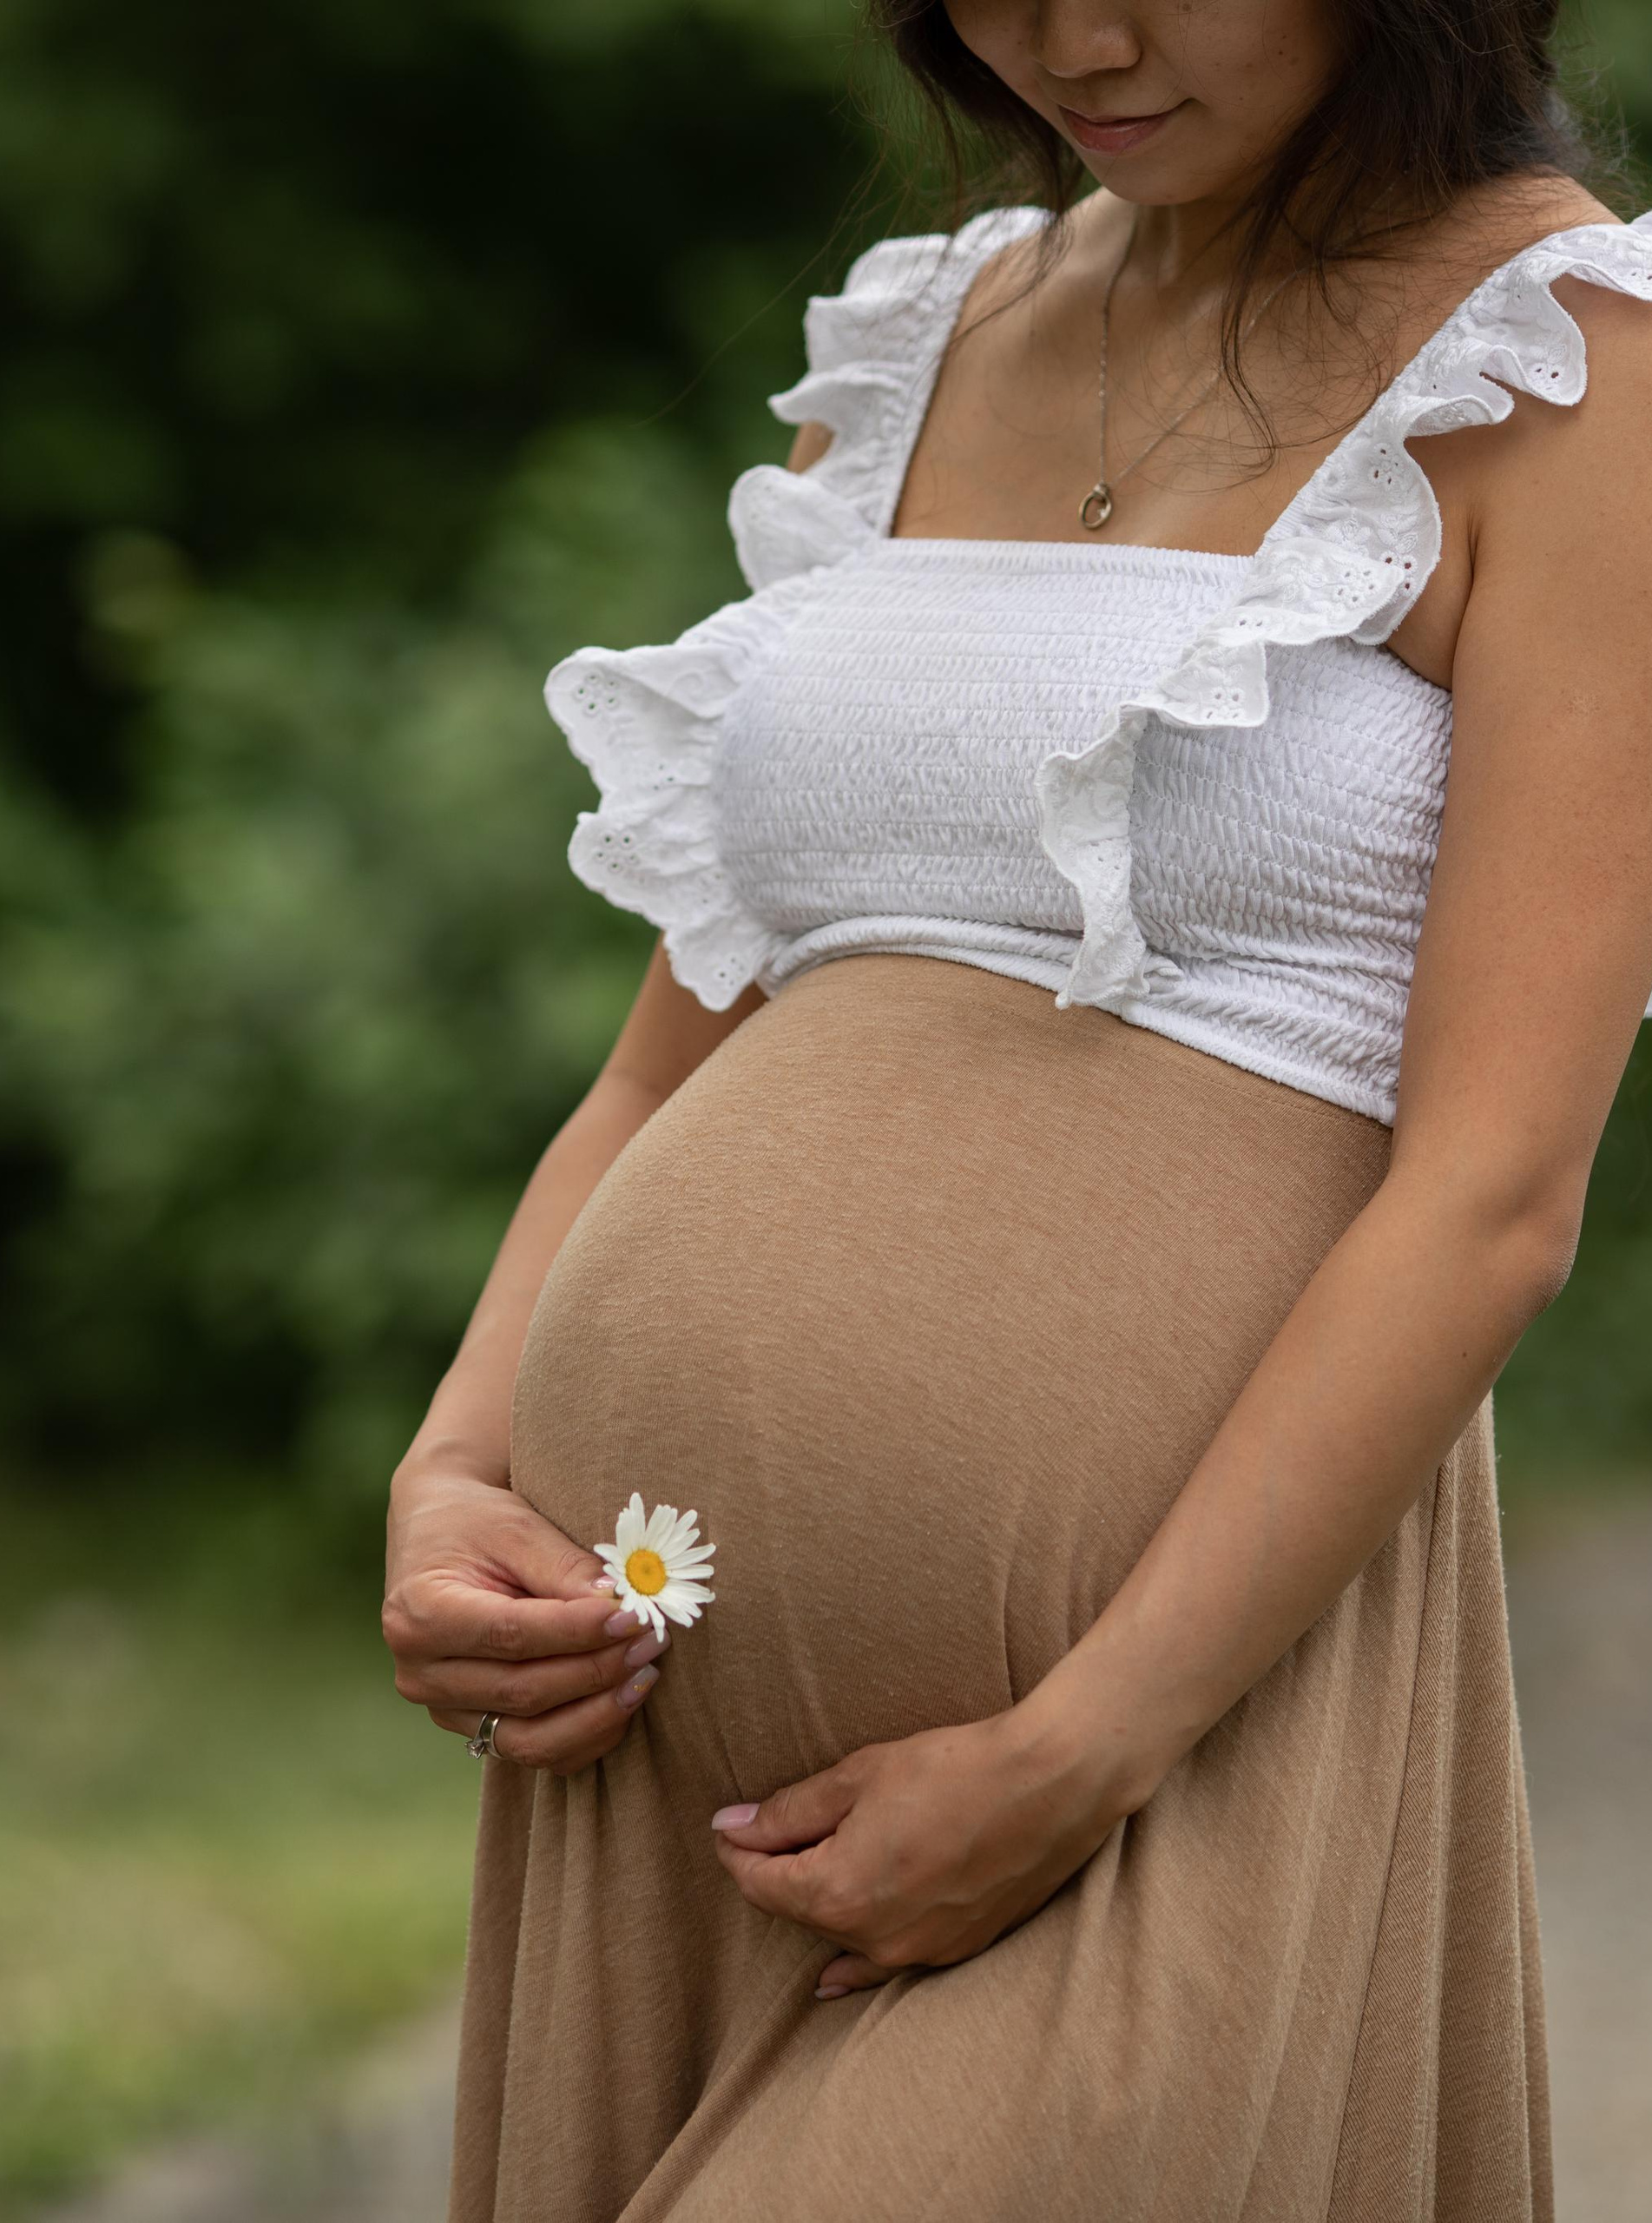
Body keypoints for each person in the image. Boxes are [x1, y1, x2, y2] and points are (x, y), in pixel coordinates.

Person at [380, 1, 1652, 2214]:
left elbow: (1488, 1199)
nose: (1071, 32)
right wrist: (451, 1463)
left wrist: (1081, 1751)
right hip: (646, 1729)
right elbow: (666, 1053)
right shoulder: (919, 338)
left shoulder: (1577, 366)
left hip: (1138, 1751)